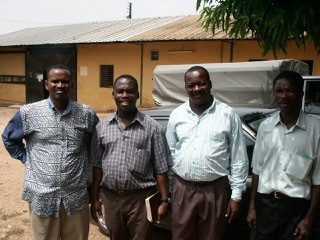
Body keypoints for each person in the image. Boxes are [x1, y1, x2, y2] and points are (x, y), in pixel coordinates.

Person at [1, 64, 99, 240]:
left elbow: (94, 147)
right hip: (42, 195)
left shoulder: (86, 113)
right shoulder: (28, 113)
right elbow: (9, 138)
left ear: (71, 84)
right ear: (47, 84)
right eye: (55, 81)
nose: (60, 85)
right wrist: (26, 158)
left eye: (64, 81)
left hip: (75, 195)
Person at [166, 65, 249, 240]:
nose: (197, 89)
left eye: (201, 84)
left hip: (215, 190)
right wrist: (170, 191)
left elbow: (239, 159)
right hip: (183, 189)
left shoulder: (227, 114)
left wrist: (236, 197)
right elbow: (170, 154)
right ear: (186, 88)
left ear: (210, 84)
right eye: (191, 85)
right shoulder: (177, 115)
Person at [90, 74, 171, 240]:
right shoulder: (101, 127)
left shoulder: (152, 128)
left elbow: (161, 168)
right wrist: (95, 198)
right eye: (120, 91)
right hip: (110, 198)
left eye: (130, 91)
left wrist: (164, 201)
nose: (125, 95)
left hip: (140, 199)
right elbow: (97, 166)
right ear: (113, 94)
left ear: (138, 94)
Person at [247, 70, 320, 240]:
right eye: (279, 91)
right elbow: (257, 169)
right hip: (266, 206)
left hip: (297, 209)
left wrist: (309, 218)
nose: (284, 96)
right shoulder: (266, 127)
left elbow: (318, 179)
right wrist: (252, 207)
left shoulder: (316, 129)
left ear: (301, 93)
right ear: (274, 94)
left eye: (290, 90)